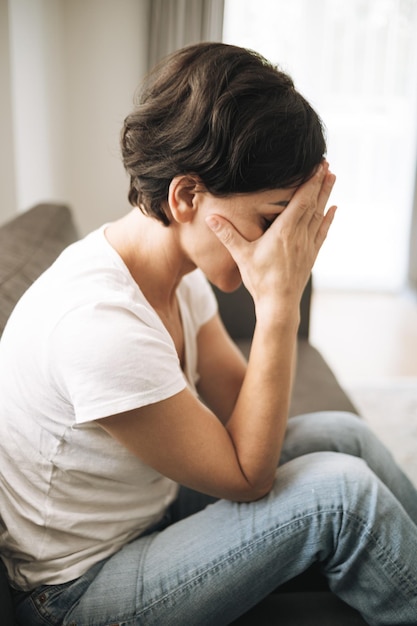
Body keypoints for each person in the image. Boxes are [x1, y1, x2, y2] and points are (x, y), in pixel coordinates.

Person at [0, 42, 417, 626]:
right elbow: (249, 476)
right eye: (270, 220)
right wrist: (279, 306)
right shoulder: (100, 325)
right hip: (74, 593)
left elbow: (237, 412)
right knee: (341, 495)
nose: (280, 243)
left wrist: (276, 275)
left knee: (343, 436)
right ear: (187, 196)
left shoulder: (174, 273)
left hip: (149, 512)